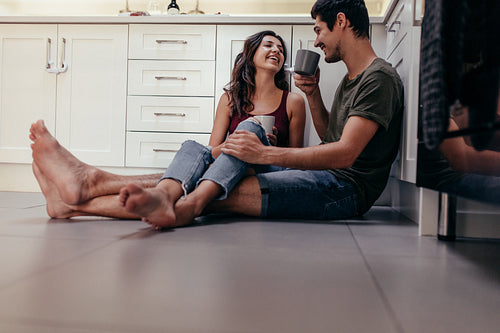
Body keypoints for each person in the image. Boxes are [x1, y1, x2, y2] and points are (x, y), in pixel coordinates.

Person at [117, 0, 404, 229]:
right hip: (326, 174)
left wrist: (263, 154)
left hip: (344, 189)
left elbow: (344, 154)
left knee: (215, 183)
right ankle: (143, 193)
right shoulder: (354, 78)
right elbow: (333, 136)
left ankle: (98, 196)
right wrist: (313, 94)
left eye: (318, 30)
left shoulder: (378, 78)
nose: (316, 41)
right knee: (200, 150)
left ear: (340, 21)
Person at [30, 30, 306, 223]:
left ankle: (85, 188)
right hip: (226, 167)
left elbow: (295, 162)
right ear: (251, 53)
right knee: (192, 148)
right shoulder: (230, 99)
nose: (276, 51)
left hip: (266, 172)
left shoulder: (293, 101)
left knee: (249, 129)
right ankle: (68, 204)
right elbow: (210, 151)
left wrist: (262, 147)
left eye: (281, 49)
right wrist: (235, 147)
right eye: (269, 45)